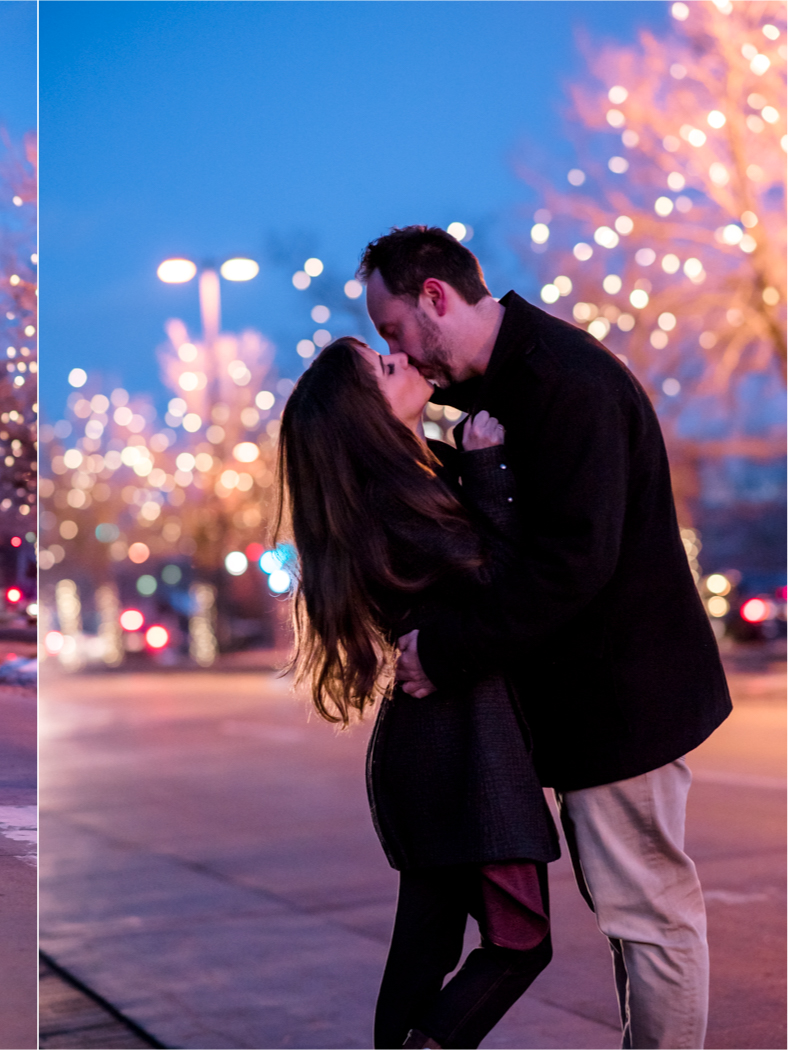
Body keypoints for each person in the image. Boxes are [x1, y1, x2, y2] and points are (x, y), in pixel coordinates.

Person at [361, 226, 731, 1049]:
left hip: (623, 702)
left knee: (650, 915)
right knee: (633, 915)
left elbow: (572, 566)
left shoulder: (563, 382)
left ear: (434, 298)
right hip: (589, 705)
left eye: (394, 331)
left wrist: (445, 654)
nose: (399, 354)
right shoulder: (506, 386)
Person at [277, 336, 559, 1049]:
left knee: (424, 950)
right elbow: (499, 583)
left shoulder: (393, 487)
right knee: (519, 941)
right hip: (462, 752)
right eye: (384, 367)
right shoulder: (393, 499)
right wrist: (487, 467)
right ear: (364, 414)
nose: (401, 359)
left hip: (433, 748)